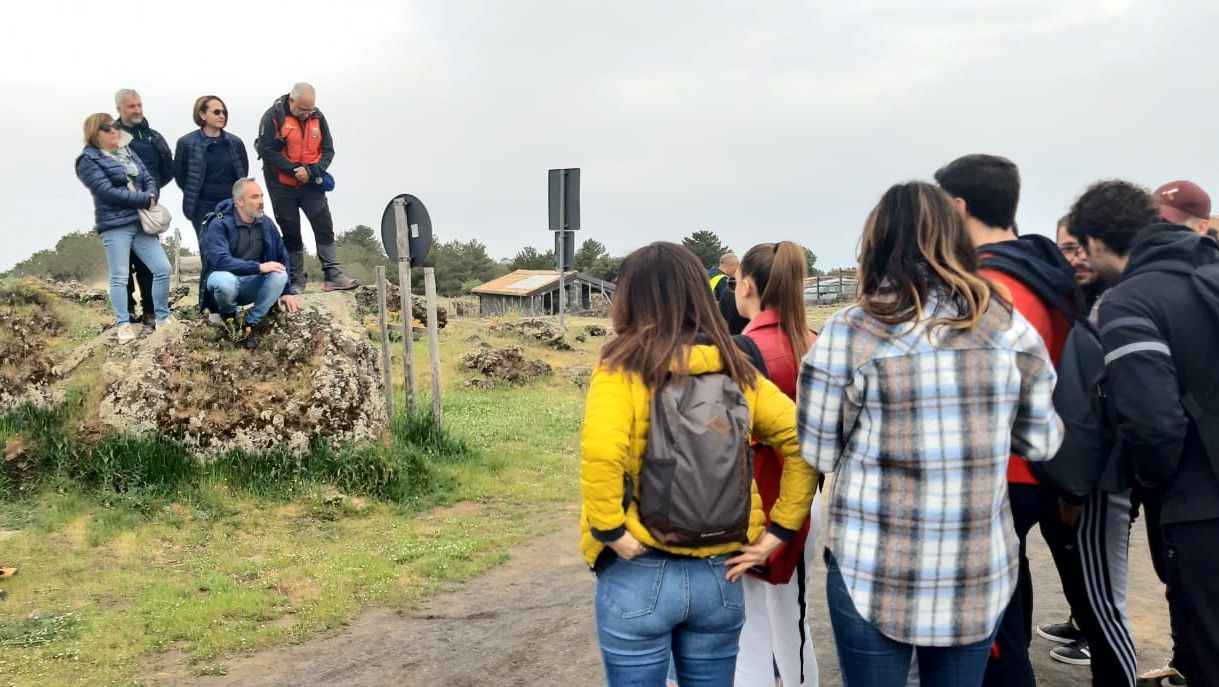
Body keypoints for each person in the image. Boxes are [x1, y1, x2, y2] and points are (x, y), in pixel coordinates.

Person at [799, 181, 1062, 687]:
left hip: (872, 566)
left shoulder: (853, 331)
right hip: (975, 567)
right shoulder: (1008, 328)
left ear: (877, 243)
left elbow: (818, 449)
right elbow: (1042, 442)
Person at [580, 241, 818, 687]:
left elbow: (601, 453)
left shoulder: (622, 367)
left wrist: (611, 530)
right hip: (719, 574)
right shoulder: (736, 368)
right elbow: (802, 440)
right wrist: (778, 533)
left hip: (639, 568)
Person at [935, 154, 1094, 686]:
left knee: (992, 634)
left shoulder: (982, 287)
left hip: (997, 471)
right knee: (1008, 602)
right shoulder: (1046, 270)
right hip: (1049, 463)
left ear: (957, 206)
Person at [1071, 180, 1219, 685]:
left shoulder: (1130, 302)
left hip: (1198, 505)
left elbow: (1153, 424)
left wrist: (1152, 487)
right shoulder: (1208, 268)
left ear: (1095, 242)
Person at [733, 241, 823, 687]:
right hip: (806, 498)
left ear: (746, 285)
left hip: (759, 496)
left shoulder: (746, 350)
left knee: (754, 627)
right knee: (793, 620)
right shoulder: (815, 342)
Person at [74, 113, 173, 343]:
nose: (114, 131)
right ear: (95, 133)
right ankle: (123, 325)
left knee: (162, 268)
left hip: (141, 222)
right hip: (115, 224)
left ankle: (162, 318)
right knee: (119, 276)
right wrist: (142, 199)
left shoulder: (126, 151)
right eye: (107, 128)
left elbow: (148, 176)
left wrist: (151, 195)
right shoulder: (88, 160)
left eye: (114, 127)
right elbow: (105, 191)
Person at [255, 82, 356, 292]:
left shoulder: (318, 117)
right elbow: (267, 151)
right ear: (291, 100)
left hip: (311, 182)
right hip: (282, 185)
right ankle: (297, 278)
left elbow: (328, 150)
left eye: (310, 109)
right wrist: (294, 170)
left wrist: (311, 172)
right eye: (302, 109)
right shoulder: (273, 116)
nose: (306, 113)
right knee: (291, 231)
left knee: (323, 225)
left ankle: (333, 274)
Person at [200, 179, 301, 349]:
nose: (261, 201)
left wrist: (287, 291)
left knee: (279, 274)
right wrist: (258, 267)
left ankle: (249, 324)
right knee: (225, 281)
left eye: (261, 196)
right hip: (222, 285)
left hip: (250, 285)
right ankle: (228, 317)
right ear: (240, 201)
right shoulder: (218, 223)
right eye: (254, 197)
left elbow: (281, 254)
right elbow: (220, 261)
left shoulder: (266, 223)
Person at [174, 95, 249, 312]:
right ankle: (207, 306)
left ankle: (230, 305)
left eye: (224, 111)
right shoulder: (187, 143)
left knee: (234, 253)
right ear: (202, 114)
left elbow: (243, 173)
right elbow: (181, 176)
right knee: (210, 254)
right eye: (216, 112)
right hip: (202, 207)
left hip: (232, 205)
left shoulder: (234, 142)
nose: (222, 115)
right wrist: (196, 195)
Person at [114, 88, 174, 327]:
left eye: (139, 105)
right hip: (119, 211)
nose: (137, 110)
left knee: (148, 264)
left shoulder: (154, 137)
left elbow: (167, 169)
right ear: (119, 109)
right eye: (131, 106)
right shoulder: (111, 136)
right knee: (122, 265)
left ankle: (151, 311)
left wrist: (152, 190)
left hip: (147, 211)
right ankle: (127, 311)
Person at [710, 252, 750, 334]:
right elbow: (730, 304)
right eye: (737, 266)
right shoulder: (723, 280)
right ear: (732, 265)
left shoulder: (707, 274)